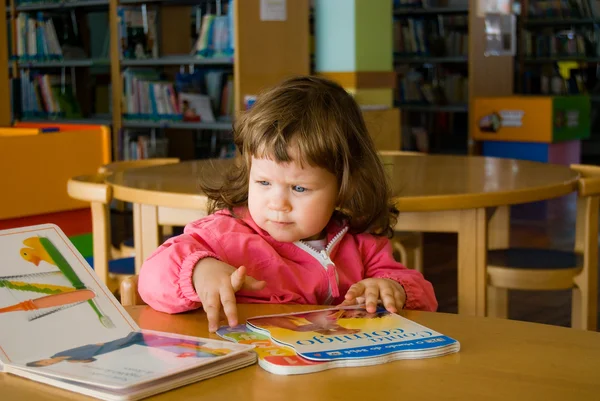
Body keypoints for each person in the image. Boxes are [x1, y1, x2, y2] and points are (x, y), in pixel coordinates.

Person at [138, 76, 438, 332]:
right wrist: (199, 270)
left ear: (344, 185)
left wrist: (392, 289)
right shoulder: (225, 236)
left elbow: (425, 298)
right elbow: (151, 279)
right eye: (264, 183)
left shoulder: (362, 244)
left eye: (299, 188)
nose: (278, 203)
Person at [26, 332, 230, 367]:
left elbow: (92, 346)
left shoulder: (61, 354)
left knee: (157, 342)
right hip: (123, 350)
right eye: (45, 364)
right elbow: (93, 360)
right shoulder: (71, 361)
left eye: (44, 361)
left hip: (117, 344)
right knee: (163, 347)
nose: (48, 362)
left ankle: (201, 347)